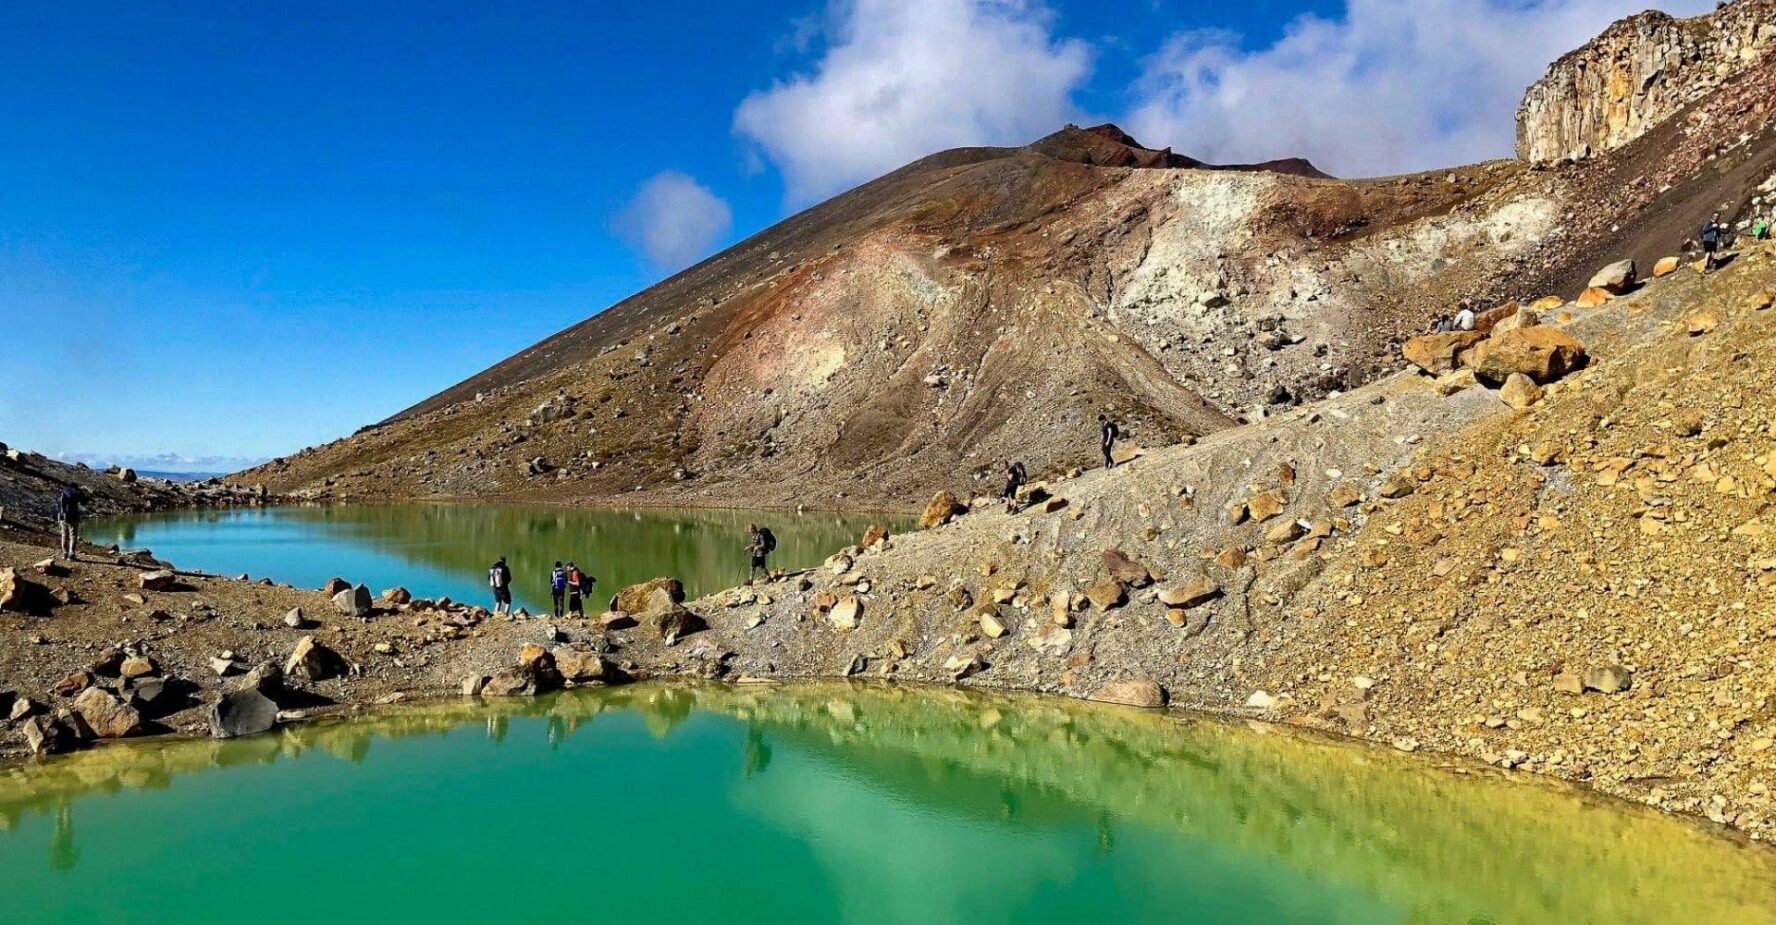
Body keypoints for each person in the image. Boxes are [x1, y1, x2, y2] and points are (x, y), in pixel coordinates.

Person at [54, 483, 84, 560]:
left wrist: (60, 515)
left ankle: (65, 554)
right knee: (73, 535)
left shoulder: (64, 492)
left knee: (64, 535)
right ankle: (71, 555)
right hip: (73, 516)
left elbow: (58, 504)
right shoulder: (76, 492)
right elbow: (84, 501)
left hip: (62, 516)